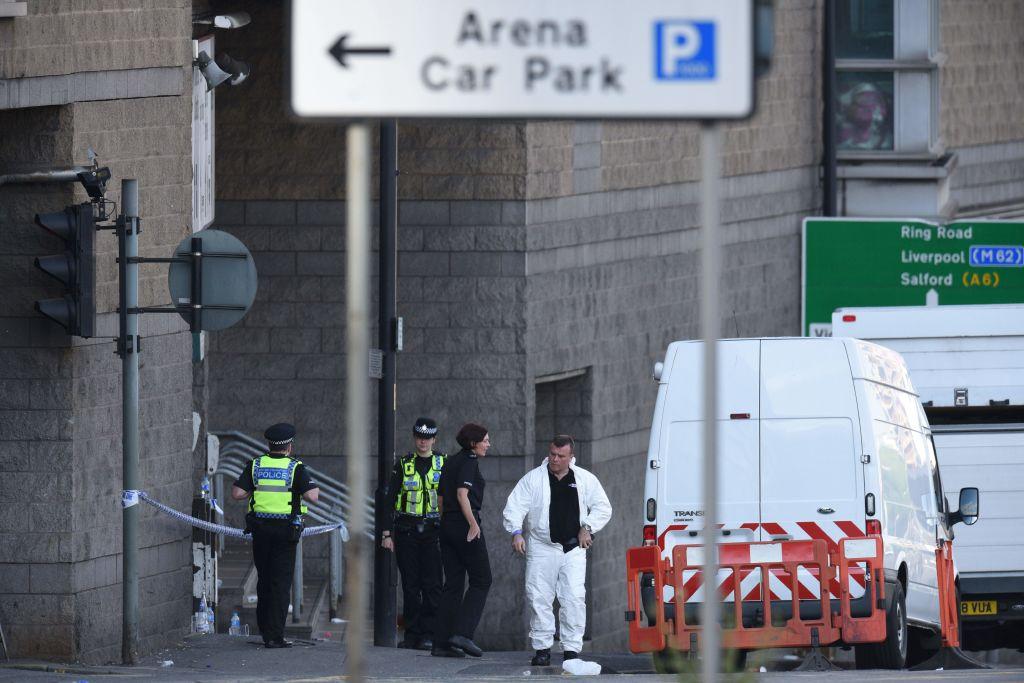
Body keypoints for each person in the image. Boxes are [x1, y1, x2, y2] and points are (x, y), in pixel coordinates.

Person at [502, 435, 612, 666]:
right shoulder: (533, 479)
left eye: (561, 456)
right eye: (552, 454)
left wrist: (588, 527)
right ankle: (542, 648)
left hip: (573, 548)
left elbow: (603, 507)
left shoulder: (584, 479)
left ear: (571, 457)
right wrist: (516, 532)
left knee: (573, 597)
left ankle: (571, 649)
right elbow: (514, 506)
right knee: (539, 597)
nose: (555, 459)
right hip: (542, 546)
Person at [231, 423, 320, 648]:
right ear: (289, 446)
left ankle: (264, 631)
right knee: (280, 583)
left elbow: (237, 493)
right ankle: (275, 636)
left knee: (264, 580)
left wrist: (258, 489)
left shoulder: (256, 465)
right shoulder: (295, 468)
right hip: (285, 532)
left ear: (269, 444)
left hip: (260, 530)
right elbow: (313, 496)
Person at [381, 417, 447, 650]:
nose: (423, 442)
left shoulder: (443, 463)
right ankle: (412, 634)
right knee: (410, 584)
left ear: (434, 439)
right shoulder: (403, 464)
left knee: (433, 585)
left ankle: (429, 634)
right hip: (407, 530)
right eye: (420, 437)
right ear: (414, 438)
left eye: (427, 438)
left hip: (433, 532)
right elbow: (388, 500)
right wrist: (387, 533)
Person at [431, 422, 493, 659]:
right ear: (473, 443)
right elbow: (461, 494)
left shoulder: (450, 461)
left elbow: (440, 498)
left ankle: (441, 643)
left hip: (447, 525)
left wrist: (446, 523)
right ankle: (463, 634)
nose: (488, 444)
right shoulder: (468, 461)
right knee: (482, 579)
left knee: (453, 584)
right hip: (465, 525)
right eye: (485, 440)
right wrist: (473, 524)